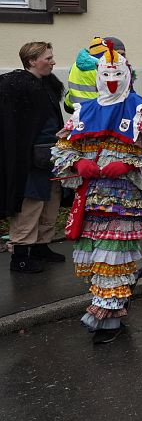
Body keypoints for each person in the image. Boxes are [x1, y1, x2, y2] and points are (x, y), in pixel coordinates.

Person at [52, 41, 142, 343]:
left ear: (127, 74)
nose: (111, 79)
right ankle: (122, 288)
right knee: (97, 261)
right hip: (89, 201)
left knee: (111, 258)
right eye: (106, 73)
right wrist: (78, 162)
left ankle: (107, 320)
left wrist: (131, 166)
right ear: (97, 75)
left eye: (118, 73)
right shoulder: (85, 110)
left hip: (125, 204)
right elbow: (62, 151)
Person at [1, 42, 65, 273]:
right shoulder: (16, 86)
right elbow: (15, 128)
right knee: (31, 203)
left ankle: (40, 246)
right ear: (32, 61)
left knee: (51, 199)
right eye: (48, 58)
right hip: (29, 159)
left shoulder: (46, 86)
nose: (53, 62)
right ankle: (19, 255)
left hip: (50, 155)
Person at [63, 36, 127, 113]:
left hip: (77, 109)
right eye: (117, 54)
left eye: (123, 55)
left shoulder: (76, 64)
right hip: (97, 112)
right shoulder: (104, 68)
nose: (120, 58)